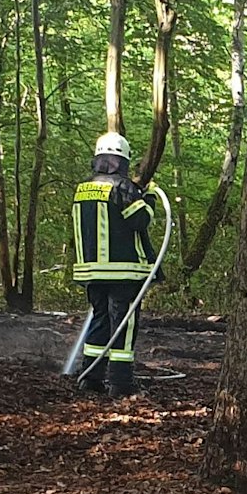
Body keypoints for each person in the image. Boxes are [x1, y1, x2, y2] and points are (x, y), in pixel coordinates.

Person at [72, 131, 157, 396]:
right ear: (123, 161)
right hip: (124, 271)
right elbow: (141, 220)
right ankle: (121, 383)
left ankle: (91, 377)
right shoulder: (122, 187)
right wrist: (150, 197)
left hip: (92, 272)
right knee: (124, 324)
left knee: (100, 320)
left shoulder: (83, 189)